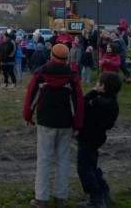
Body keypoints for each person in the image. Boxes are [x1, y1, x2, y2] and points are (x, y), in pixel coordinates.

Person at [23, 43, 84, 208]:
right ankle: (60, 199)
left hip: (46, 122)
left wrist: (27, 116)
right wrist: (77, 125)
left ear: (52, 57)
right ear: (67, 59)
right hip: (65, 124)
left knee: (44, 160)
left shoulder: (41, 75)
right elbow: (77, 103)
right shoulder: (72, 77)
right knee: (63, 160)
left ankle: (41, 199)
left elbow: (31, 97)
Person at [76, 72, 122, 208]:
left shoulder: (98, 103)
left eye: (98, 83)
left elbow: (82, 104)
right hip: (98, 138)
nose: (96, 85)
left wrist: (93, 92)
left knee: (85, 169)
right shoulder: (113, 102)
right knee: (92, 166)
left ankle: (96, 199)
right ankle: (104, 191)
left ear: (103, 86)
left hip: (88, 137)